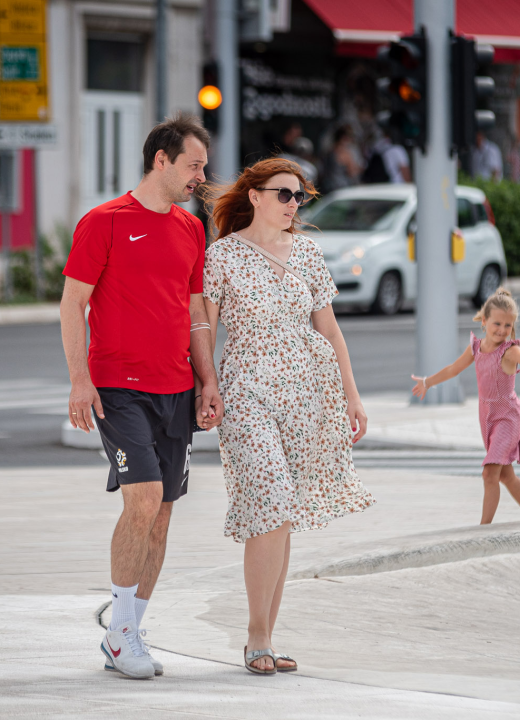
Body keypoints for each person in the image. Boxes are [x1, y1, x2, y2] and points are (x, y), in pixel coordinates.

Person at [60, 112, 220, 680]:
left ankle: (128, 621)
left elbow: (197, 313)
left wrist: (209, 381)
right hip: (117, 387)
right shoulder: (103, 222)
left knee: (164, 515)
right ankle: (122, 634)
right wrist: (80, 380)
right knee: (144, 498)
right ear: (162, 160)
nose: (201, 175)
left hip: (176, 387)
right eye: (194, 165)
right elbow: (71, 305)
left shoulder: (190, 228)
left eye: (203, 166)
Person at [201, 158, 375, 674]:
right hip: (246, 390)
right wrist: (204, 387)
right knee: (270, 496)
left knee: (282, 516)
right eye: (283, 194)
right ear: (254, 196)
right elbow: (203, 332)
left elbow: (331, 330)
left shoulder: (308, 253)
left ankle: (267, 639)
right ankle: (255, 637)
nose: (293, 204)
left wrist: (353, 396)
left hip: (306, 393)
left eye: (299, 197)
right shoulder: (223, 257)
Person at [412, 288, 520, 524]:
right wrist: (427, 382)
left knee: (489, 474)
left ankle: (483, 529)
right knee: (506, 476)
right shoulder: (476, 348)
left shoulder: (508, 351)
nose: (502, 330)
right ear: (484, 321)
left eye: (508, 326)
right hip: (488, 418)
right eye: (497, 324)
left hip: (508, 417)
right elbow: (453, 369)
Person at [322, 124, 362, 192]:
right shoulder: (345, 153)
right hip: (342, 189)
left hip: (328, 187)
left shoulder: (328, 151)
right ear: (344, 138)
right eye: (349, 137)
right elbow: (352, 172)